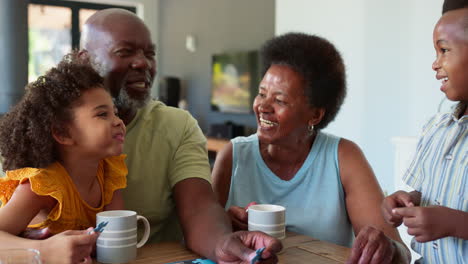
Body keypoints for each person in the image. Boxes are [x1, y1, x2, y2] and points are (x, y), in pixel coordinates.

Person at [79, 8, 281, 263]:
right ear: (84, 60)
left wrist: (222, 245)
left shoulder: (177, 126)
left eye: (150, 54)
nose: (143, 63)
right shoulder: (52, 128)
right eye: (125, 52)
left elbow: (199, 208)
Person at [211, 32, 411, 264]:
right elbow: (203, 237)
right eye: (261, 93)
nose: (263, 106)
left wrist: (387, 249)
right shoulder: (234, 156)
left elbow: (401, 254)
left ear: (315, 115)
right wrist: (225, 228)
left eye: (280, 100)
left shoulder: (343, 157)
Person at [0, 55, 127, 263]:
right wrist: (43, 250)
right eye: (103, 114)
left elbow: (112, 240)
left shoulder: (110, 171)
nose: (118, 122)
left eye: (116, 112)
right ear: (63, 134)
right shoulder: (44, 186)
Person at [381, 2, 468, 263]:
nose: (435, 63)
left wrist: (457, 224)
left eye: (443, 50)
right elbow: (433, 191)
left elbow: (453, 217)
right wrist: (407, 201)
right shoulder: (436, 129)